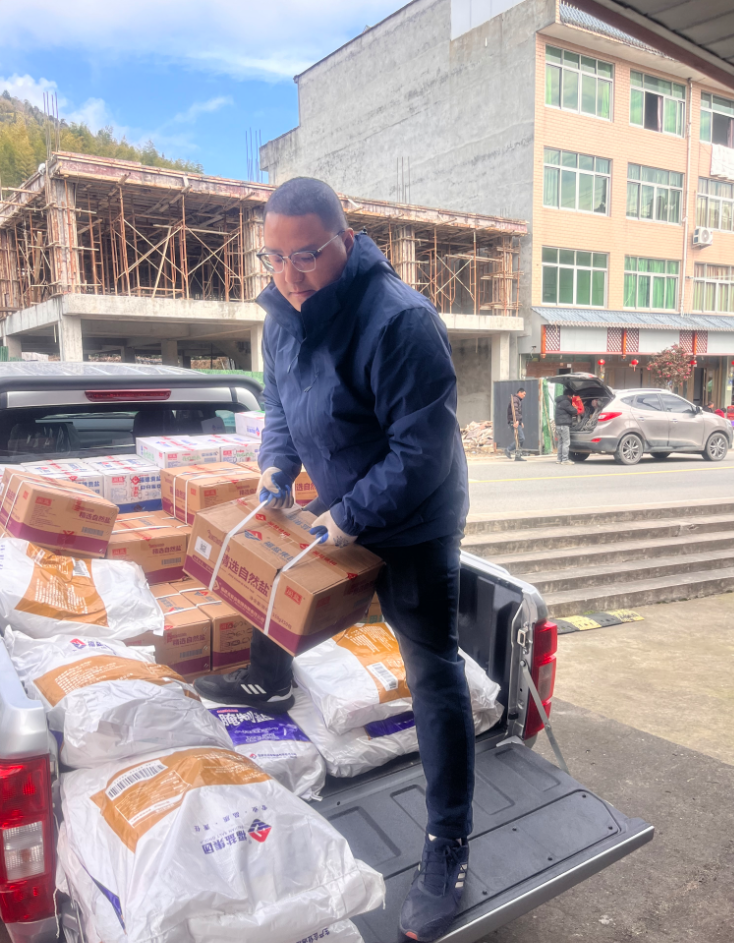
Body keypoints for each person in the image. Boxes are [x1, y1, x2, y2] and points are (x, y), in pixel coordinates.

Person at [194, 177, 472, 942]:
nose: (290, 274)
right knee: (270, 569)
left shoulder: (400, 322)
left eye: (308, 255)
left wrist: (348, 517)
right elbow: (281, 405)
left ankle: (448, 842)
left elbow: (422, 452)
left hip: (414, 517)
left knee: (431, 668)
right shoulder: (282, 314)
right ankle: (270, 678)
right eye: (275, 257)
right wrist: (276, 466)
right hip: (343, 498)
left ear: (345, 241)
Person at [554, 387, 577, 465]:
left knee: (560, 442)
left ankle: (559, 459)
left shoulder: (559, 401)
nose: (571, 398)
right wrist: (576, 408)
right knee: (566, 442)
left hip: (558, 425)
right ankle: (565, 459)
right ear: (569, 395)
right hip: (564, 425)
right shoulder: (566, 402)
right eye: (571, 396)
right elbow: (573, 410)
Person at [505, 387, 526, 460]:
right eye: (523, 394)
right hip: (513, 421)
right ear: (519, 392)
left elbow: (519, 413)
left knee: (519, 439)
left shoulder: (518, 400)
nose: (524, 396)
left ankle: (518, 456)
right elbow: (515, 411)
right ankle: (508, 449)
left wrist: (520, 422)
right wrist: (517, 421)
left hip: (516, 421)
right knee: (521, 438)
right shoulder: (515, 399)